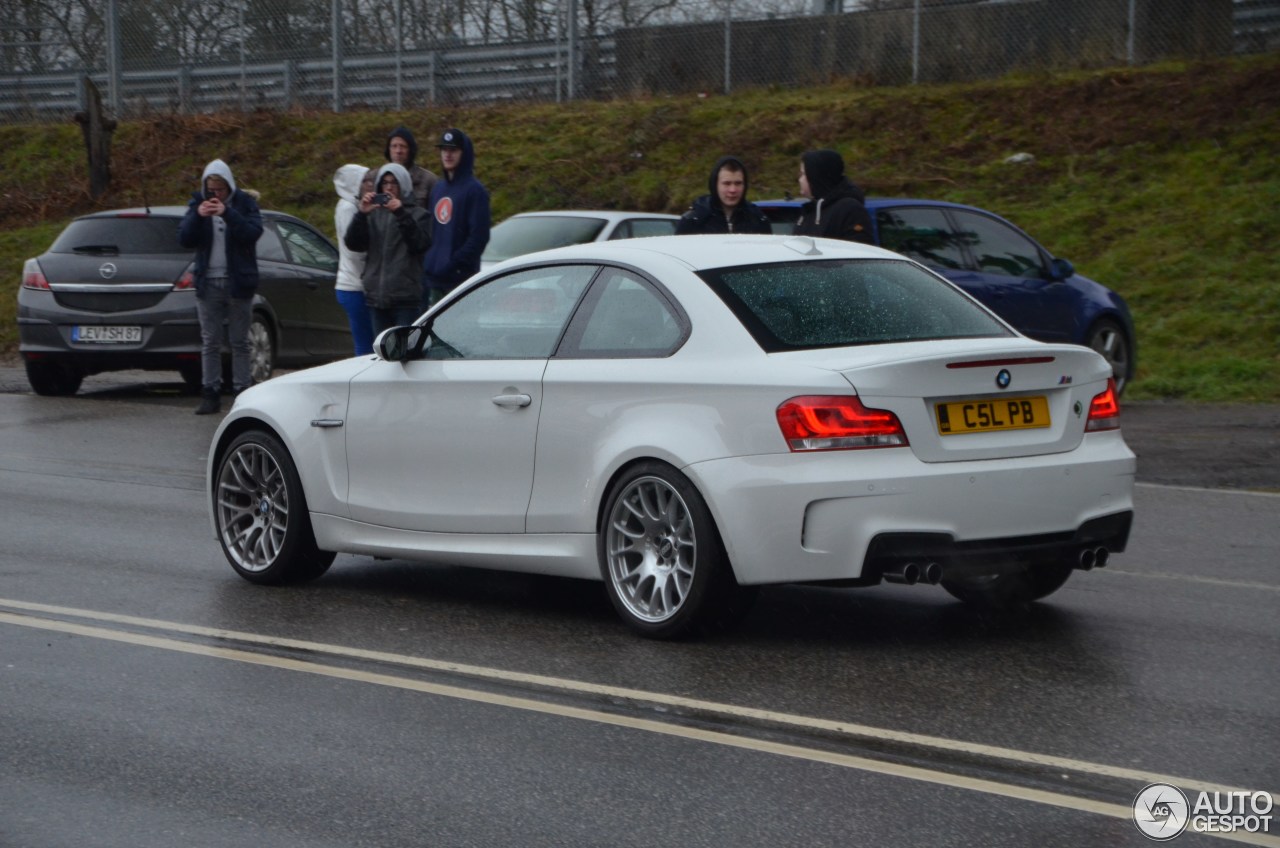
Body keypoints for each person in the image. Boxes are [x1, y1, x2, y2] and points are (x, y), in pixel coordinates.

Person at [177, 158, 263, 415]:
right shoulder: (197, 205)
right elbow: (184, 238)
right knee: (210, 341)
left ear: (230, 188)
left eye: (220, 191)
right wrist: (197, 216)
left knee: (239, 341)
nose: (215, 196)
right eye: (211, 191)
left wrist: (227, 213)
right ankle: (210, 392)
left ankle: (242, 392)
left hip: (238, 281)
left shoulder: (245, 205)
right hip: (208, 282)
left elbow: (252, 233)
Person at [343, 162, 433, 337]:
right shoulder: (373, 215)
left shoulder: (419, 214)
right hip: (376, 298)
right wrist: (361, 214)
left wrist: (400, 214)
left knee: (405, 351)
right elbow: (353, 244)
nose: (389, 187)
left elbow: (419, 245)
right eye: (385, 183)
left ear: (404, 185)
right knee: (383, 352)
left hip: (405, 299)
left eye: (394, 182)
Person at [421, 128, 490, 310]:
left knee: (459, 336)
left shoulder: (475, 191)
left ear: (463, 153)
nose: (447, 154)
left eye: (453, 150)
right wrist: (430, 261)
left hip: (461, 282)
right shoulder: (438, 189)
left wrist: (454, 263)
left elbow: (479, 237)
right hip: (435, 280)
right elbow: (432, 231)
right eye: (444, 150)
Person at [333, 164, 376, 355]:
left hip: (357, 284)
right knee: (365, 344)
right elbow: (355, 250)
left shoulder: (359, 206)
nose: (370, 184)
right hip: (354, 285)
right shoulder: (348, 208)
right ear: (354, 183)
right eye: (365, 181)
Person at [674, 155, 772, 235]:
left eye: (738, 183)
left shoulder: (758, 219)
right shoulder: (694, 220)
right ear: (715, 184)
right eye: (726, 183)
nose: (733, 190)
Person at [792, 149, 874, 244]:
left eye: (803, 174)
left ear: (815, 176)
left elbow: (860, 251)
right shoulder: (807, 213)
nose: (799, 179)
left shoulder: (849, 209)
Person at [385, 125, 437, 208]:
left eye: (403, 146)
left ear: (411, 149)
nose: (398, 151)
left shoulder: (428, 180)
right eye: (394, 146)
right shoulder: (378, 179)